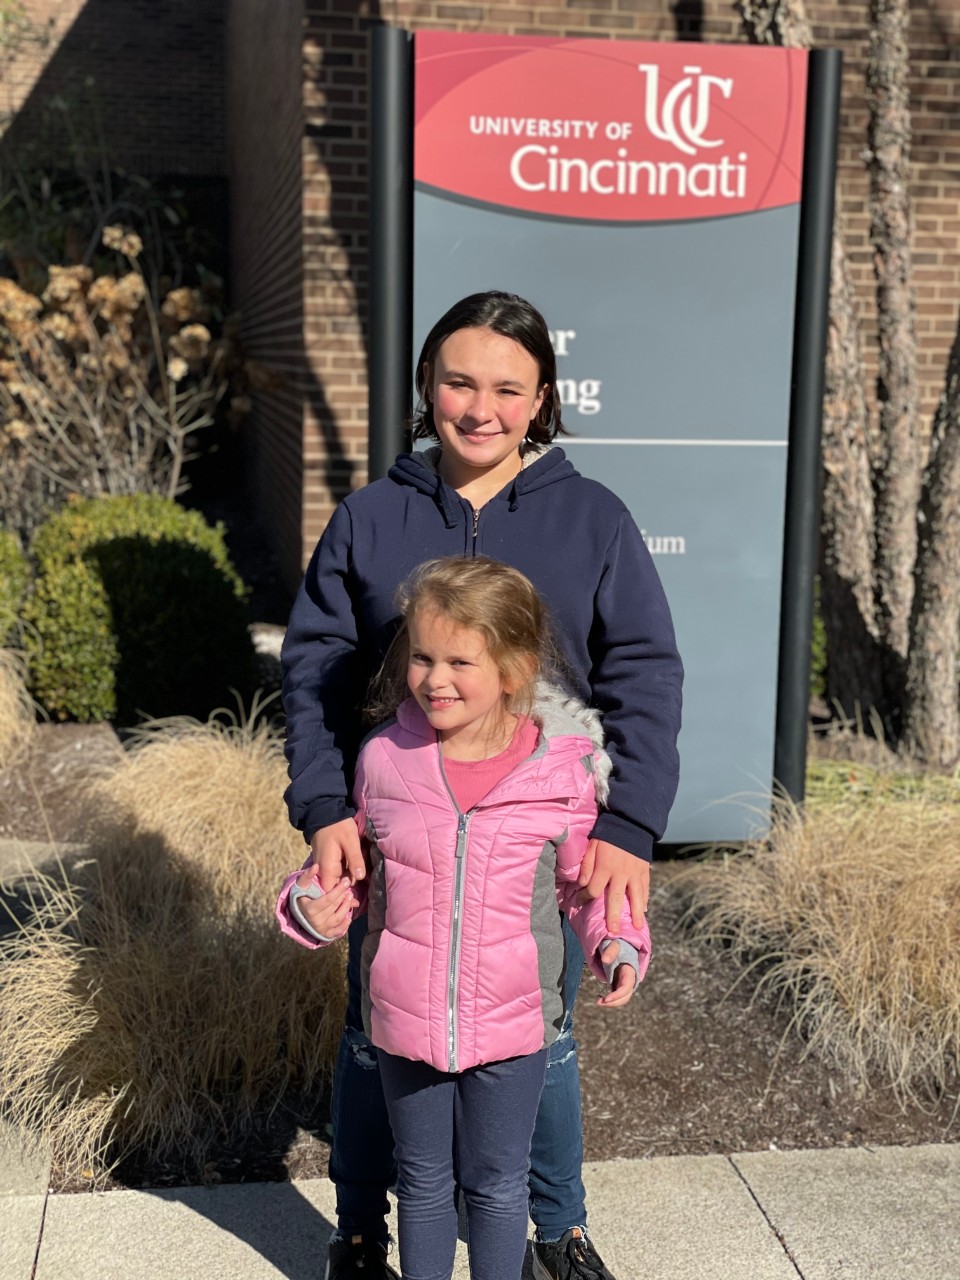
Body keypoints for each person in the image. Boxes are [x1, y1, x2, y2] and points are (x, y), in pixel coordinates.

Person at [281, 289, 683, 1280]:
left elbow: (645, 673)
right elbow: (315, 670)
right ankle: (361, 1231)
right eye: (460, 381)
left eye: (509, 387)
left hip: (537, 837)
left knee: (544, 1037)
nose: (481, 407)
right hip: (398, 833)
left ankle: (559, 1229)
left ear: (542, 398)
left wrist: (630, 824)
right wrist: (325, 806)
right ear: (428, 384)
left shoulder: (593, 518)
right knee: (371, 1036)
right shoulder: (371, 516)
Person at [278, 556, 651, 1280]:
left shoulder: (560, 771)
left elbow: (584, 889)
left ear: (514, 669)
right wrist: (310, 906)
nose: (434, 679)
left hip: (513, 1025)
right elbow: (349, 873)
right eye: (421, 657)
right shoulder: (384, 758)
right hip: (406, 1021)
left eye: (459, 662)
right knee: (421, 1185)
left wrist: (617, 943)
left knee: (498, 1185)